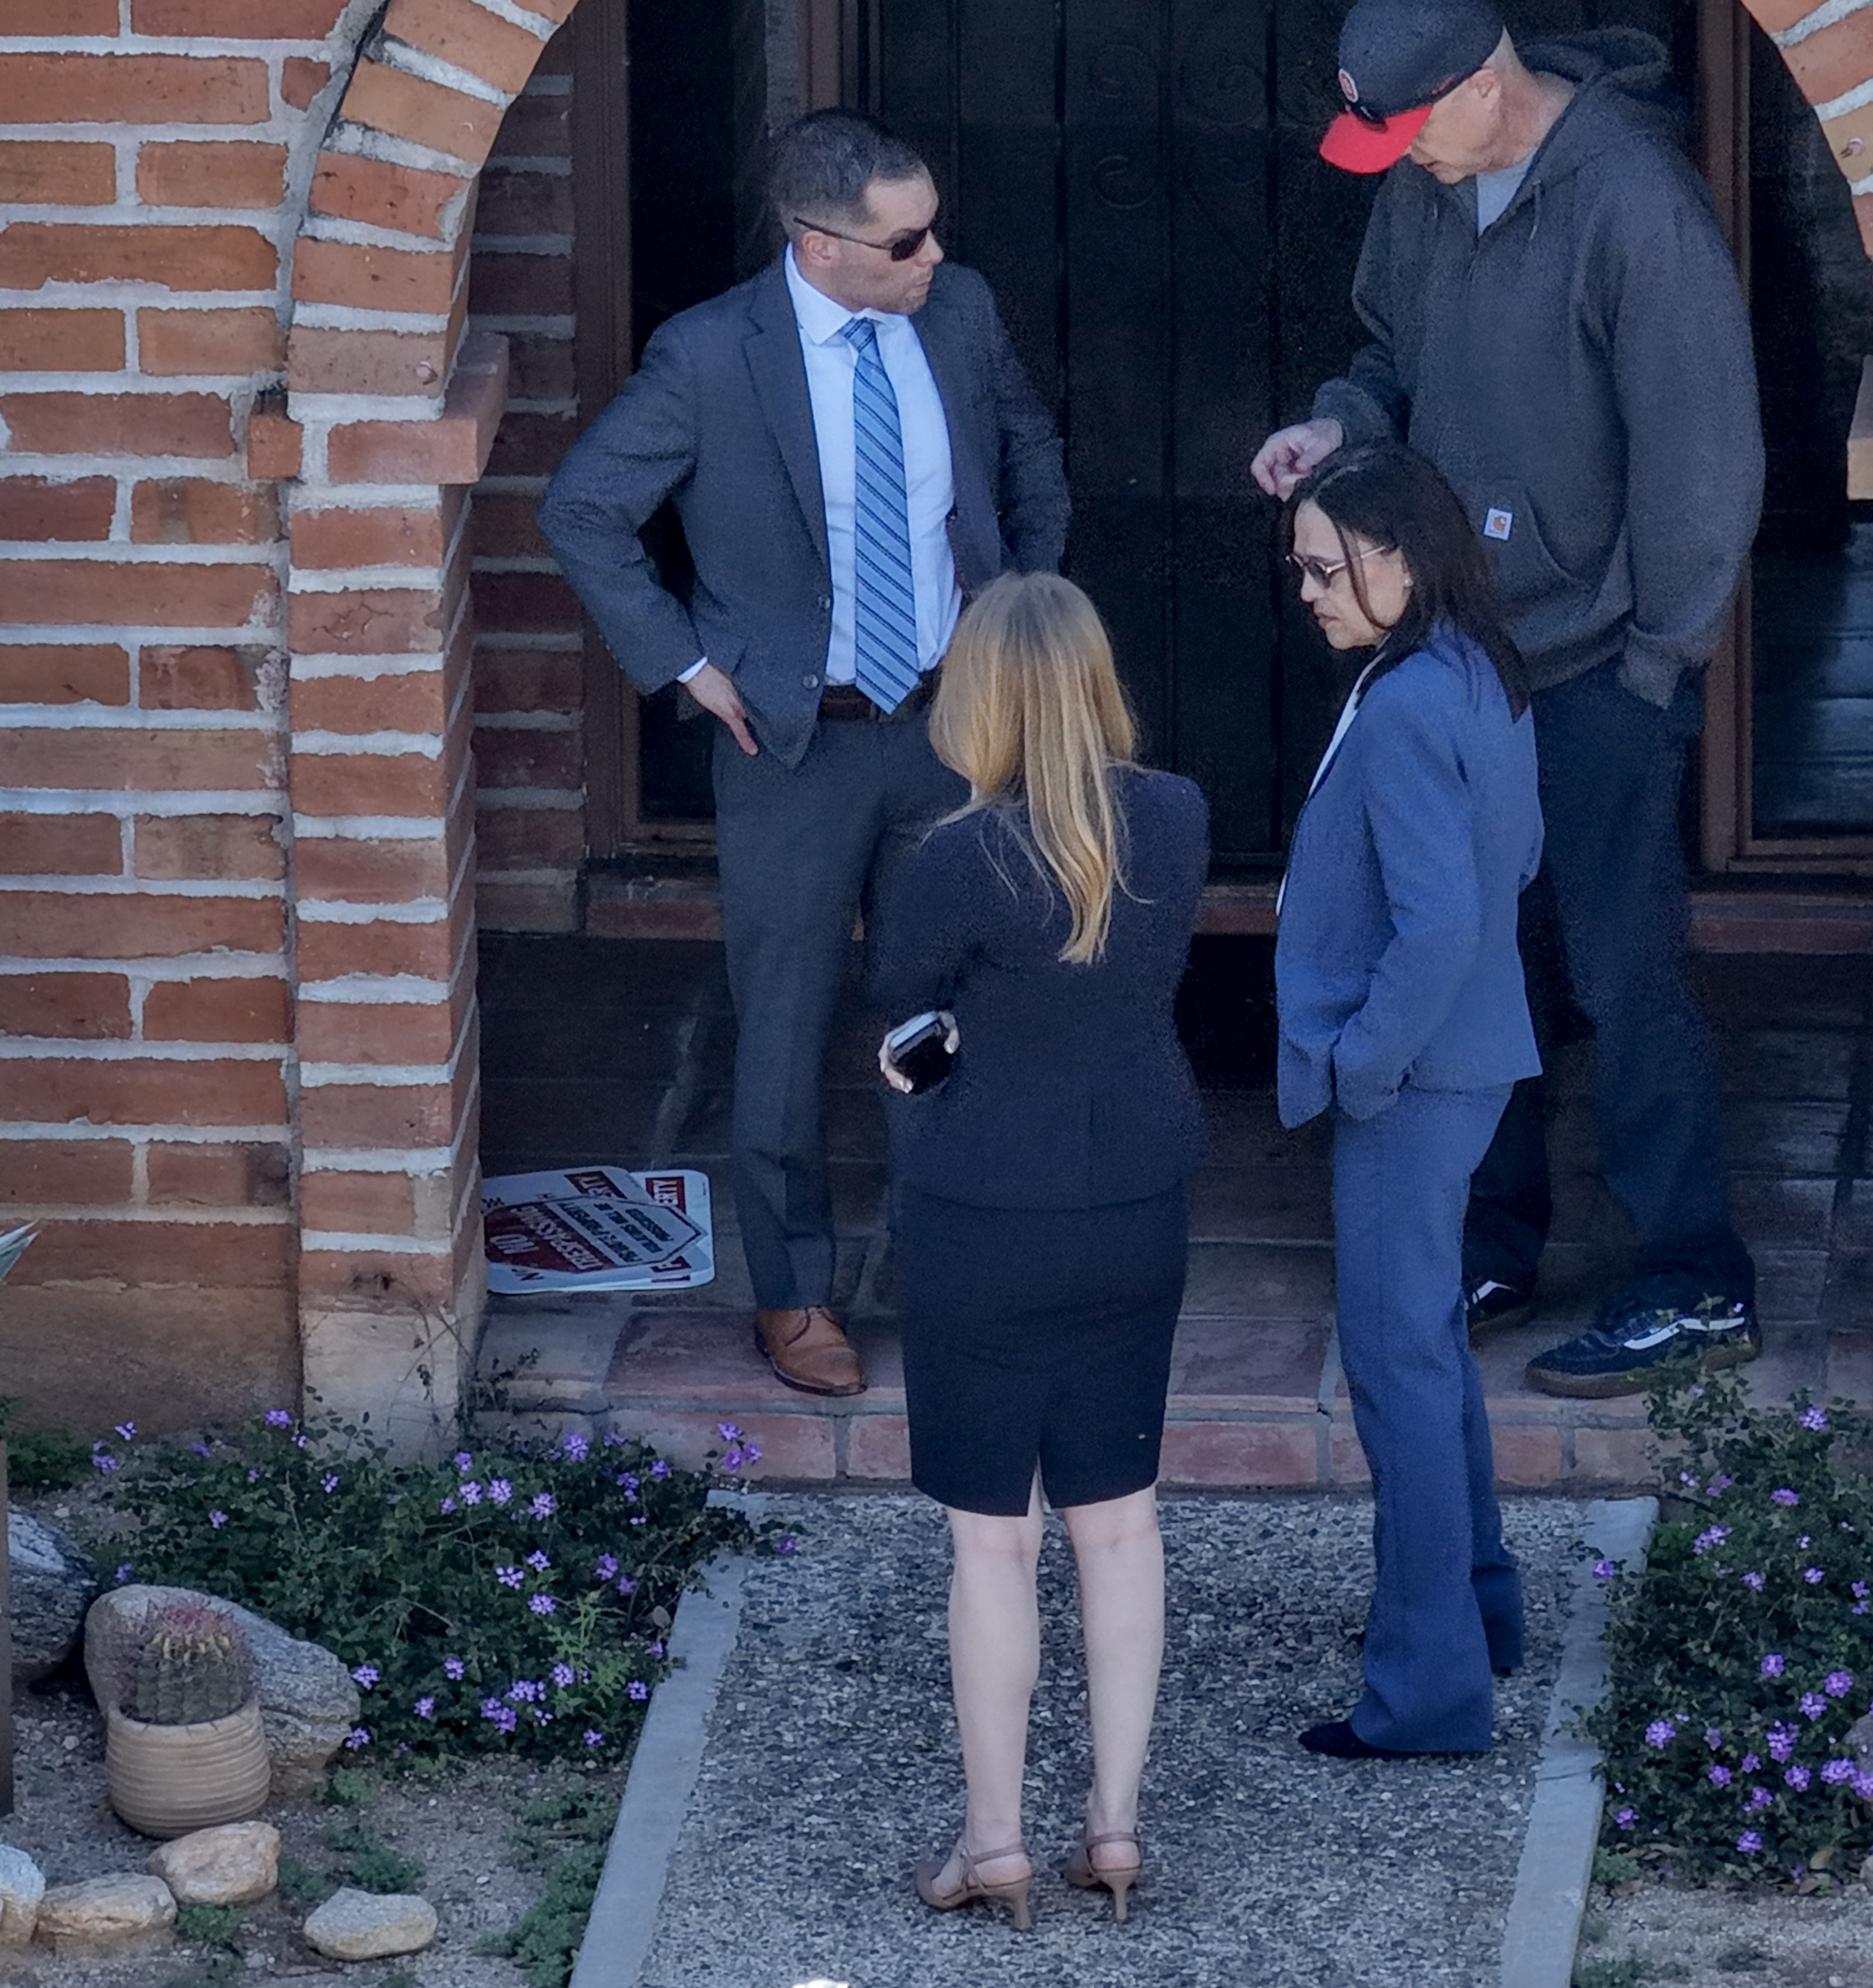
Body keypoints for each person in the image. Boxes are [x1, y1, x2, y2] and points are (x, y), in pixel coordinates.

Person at [1250, 0, 1767, 1401]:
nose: (1401, 158)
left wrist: (1664, 662)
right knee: (1485, 952)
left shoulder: (1634, 208)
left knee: (1622, 970)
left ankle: (1693, 1276)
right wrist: (1334, 430)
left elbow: (1706, 463)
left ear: (1487, 83)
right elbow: (1388, 362)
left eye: (1414, 128)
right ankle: (1495, 1242)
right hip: (1460, 651)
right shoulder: (1427, 182)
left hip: (1603, 660)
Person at [541, 110, 1068, 1398]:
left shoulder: (960, 310)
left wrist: (1023, 609)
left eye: (936, 225)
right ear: (819, 246)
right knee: (781, 1026)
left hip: (953, 720)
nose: (936, 253)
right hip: (795, 741)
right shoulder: (713, 354)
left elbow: (1029, 451)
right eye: (907, 239)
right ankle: (793, 1294)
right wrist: (685, 664)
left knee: (949, 1009)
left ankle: (956, 1270)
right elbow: (585, 509)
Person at [866, 574, 1209, 1930]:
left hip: (980, 1214)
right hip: (1135, 1199)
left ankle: (995, 1842)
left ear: (978, 696)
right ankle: (1114, 1829)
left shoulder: (951, 856)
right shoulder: (1175, 820)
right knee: (1119, 1529)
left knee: (991, 1547)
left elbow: (905, 1005)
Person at [1274, 442, 1543, 1759]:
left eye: (1330, 567)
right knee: (1429, 1348)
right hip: (1477, 1058)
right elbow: (1514, 865)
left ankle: (1428, 1693)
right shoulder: (1478, 673)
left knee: (1396, 1371)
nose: (1312, 591)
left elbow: (1434, 926)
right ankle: (1478, 1610)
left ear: (1403, 556)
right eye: (1303, 569)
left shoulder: (1398, 711)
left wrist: (1363, 1063)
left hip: (1416, 1077)